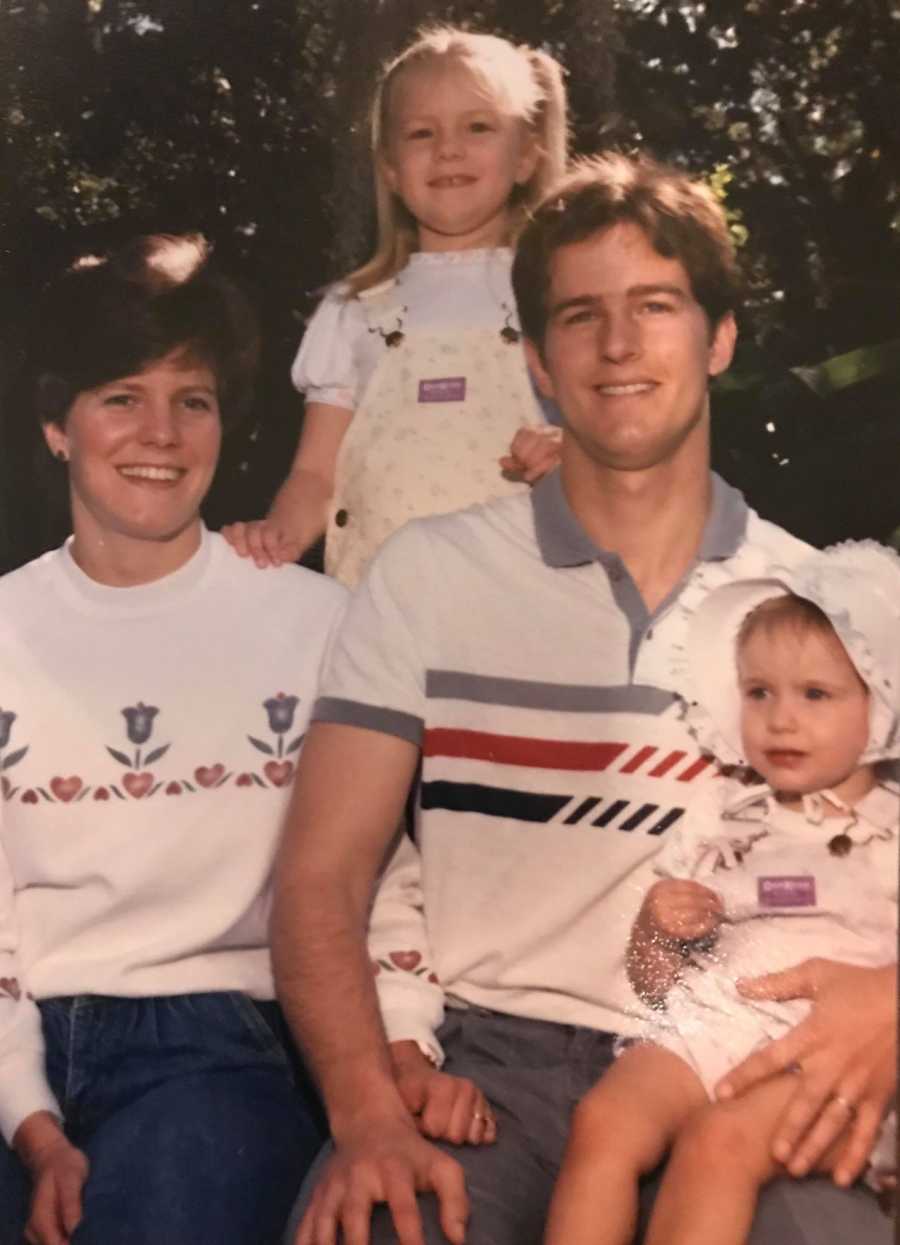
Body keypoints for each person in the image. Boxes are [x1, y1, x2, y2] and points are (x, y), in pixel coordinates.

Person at [273, 153, 896, 1245]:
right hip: (486, 1071)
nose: (618, 347)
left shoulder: (816, 601)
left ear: (719, 338)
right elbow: (320, 875)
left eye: (654, 307)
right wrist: (368, 1114)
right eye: (580, 316)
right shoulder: (428, 574)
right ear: (541, 365)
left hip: (739, 1054)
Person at [0, 235, 346, 1245]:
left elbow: (378, 884)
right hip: (18, 1041)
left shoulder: (313, 623)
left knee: (171, 1199)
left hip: (219, 1047)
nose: (161, 431)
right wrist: (32, 1125)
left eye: (191, 399)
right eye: (121, 396)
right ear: (57, 425)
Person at [543, 543, 899, 1245]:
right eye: (758, 692)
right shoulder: (723, 814)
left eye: (815, 694)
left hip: (837, 1052)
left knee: (719, 1144)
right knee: (605, 1120)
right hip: (716, 1022)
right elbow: (655, 987)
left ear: (882, 702)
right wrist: (655, 930)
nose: (780, 718)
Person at [222, 25, 567, 586]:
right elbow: (314, 474)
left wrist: (570, 454)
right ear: (389, 169)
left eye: (478, 127)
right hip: (379, 608)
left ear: (527, 155)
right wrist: (278, 536)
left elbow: (609, 448)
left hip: (520, 604)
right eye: (421, 133)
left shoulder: (555, 297)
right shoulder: (354, 310)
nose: (448, 149)